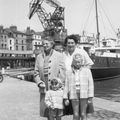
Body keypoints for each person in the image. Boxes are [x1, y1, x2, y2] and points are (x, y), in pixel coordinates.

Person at [34, 37, 66, 120]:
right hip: (44, 86)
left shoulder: (59, 55)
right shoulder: (39, 57)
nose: (44, 45)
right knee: (47, 110)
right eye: (43, 44)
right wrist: (39, 82)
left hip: (56, 86)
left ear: (52, 45)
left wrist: (60, 85)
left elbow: (62, 72)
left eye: (46, 44)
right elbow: (36, 73)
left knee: (58, 111)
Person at [63, 53, 94, 120]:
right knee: (76, 114)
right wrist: (65, 97)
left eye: (79, 62)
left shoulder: (87, 71)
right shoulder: (69, 72)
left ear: (82, 62)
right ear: (73, 62)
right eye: (76, 62)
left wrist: (90, 96)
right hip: (74, 94)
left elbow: (91, 84)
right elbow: (66, 85)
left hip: (84, 94)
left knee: (83, 113)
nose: (77, 64)